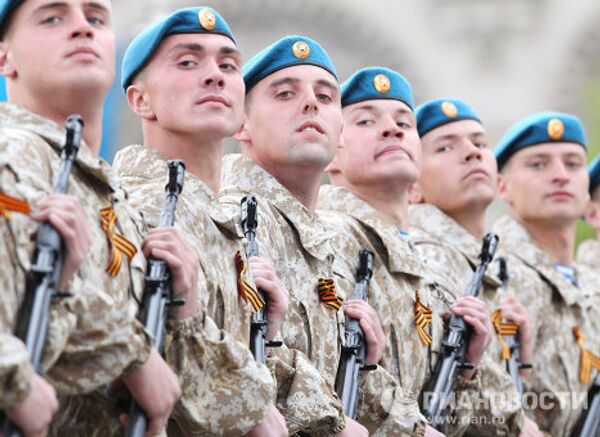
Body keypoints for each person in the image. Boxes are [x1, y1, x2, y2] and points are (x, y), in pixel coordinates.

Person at [0, 1, 187, 435]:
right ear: (4, 57)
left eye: (96, 18)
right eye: (52, 17)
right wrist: (131, 354)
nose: (82, 29)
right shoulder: (13, 156)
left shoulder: (115, 200)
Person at [115, 7, 288, 435]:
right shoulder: (136, 209)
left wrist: (271, 338)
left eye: (228, 65)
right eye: (188, 62)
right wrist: (254, 410)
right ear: (140, 100)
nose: (215, 75)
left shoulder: (234, 223)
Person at [219, 35, 386, 436]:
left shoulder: (334, 248)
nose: (310, 103)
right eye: (285, 93)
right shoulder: (233, 221)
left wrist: (365, 371)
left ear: (340, 133)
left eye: (326, 97)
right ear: (241, 124)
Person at [409, 97, 541, 435]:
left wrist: (521, 365)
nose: (472, 152)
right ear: (413, 187)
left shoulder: (488, 263)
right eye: (445, 147)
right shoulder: (423, 260)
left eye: (480, 142)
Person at [492, 111, 600, 436]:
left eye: (573, 164)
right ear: (502, 186)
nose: (560, 176)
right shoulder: (493, 275)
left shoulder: (593, 284)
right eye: (538, 164)